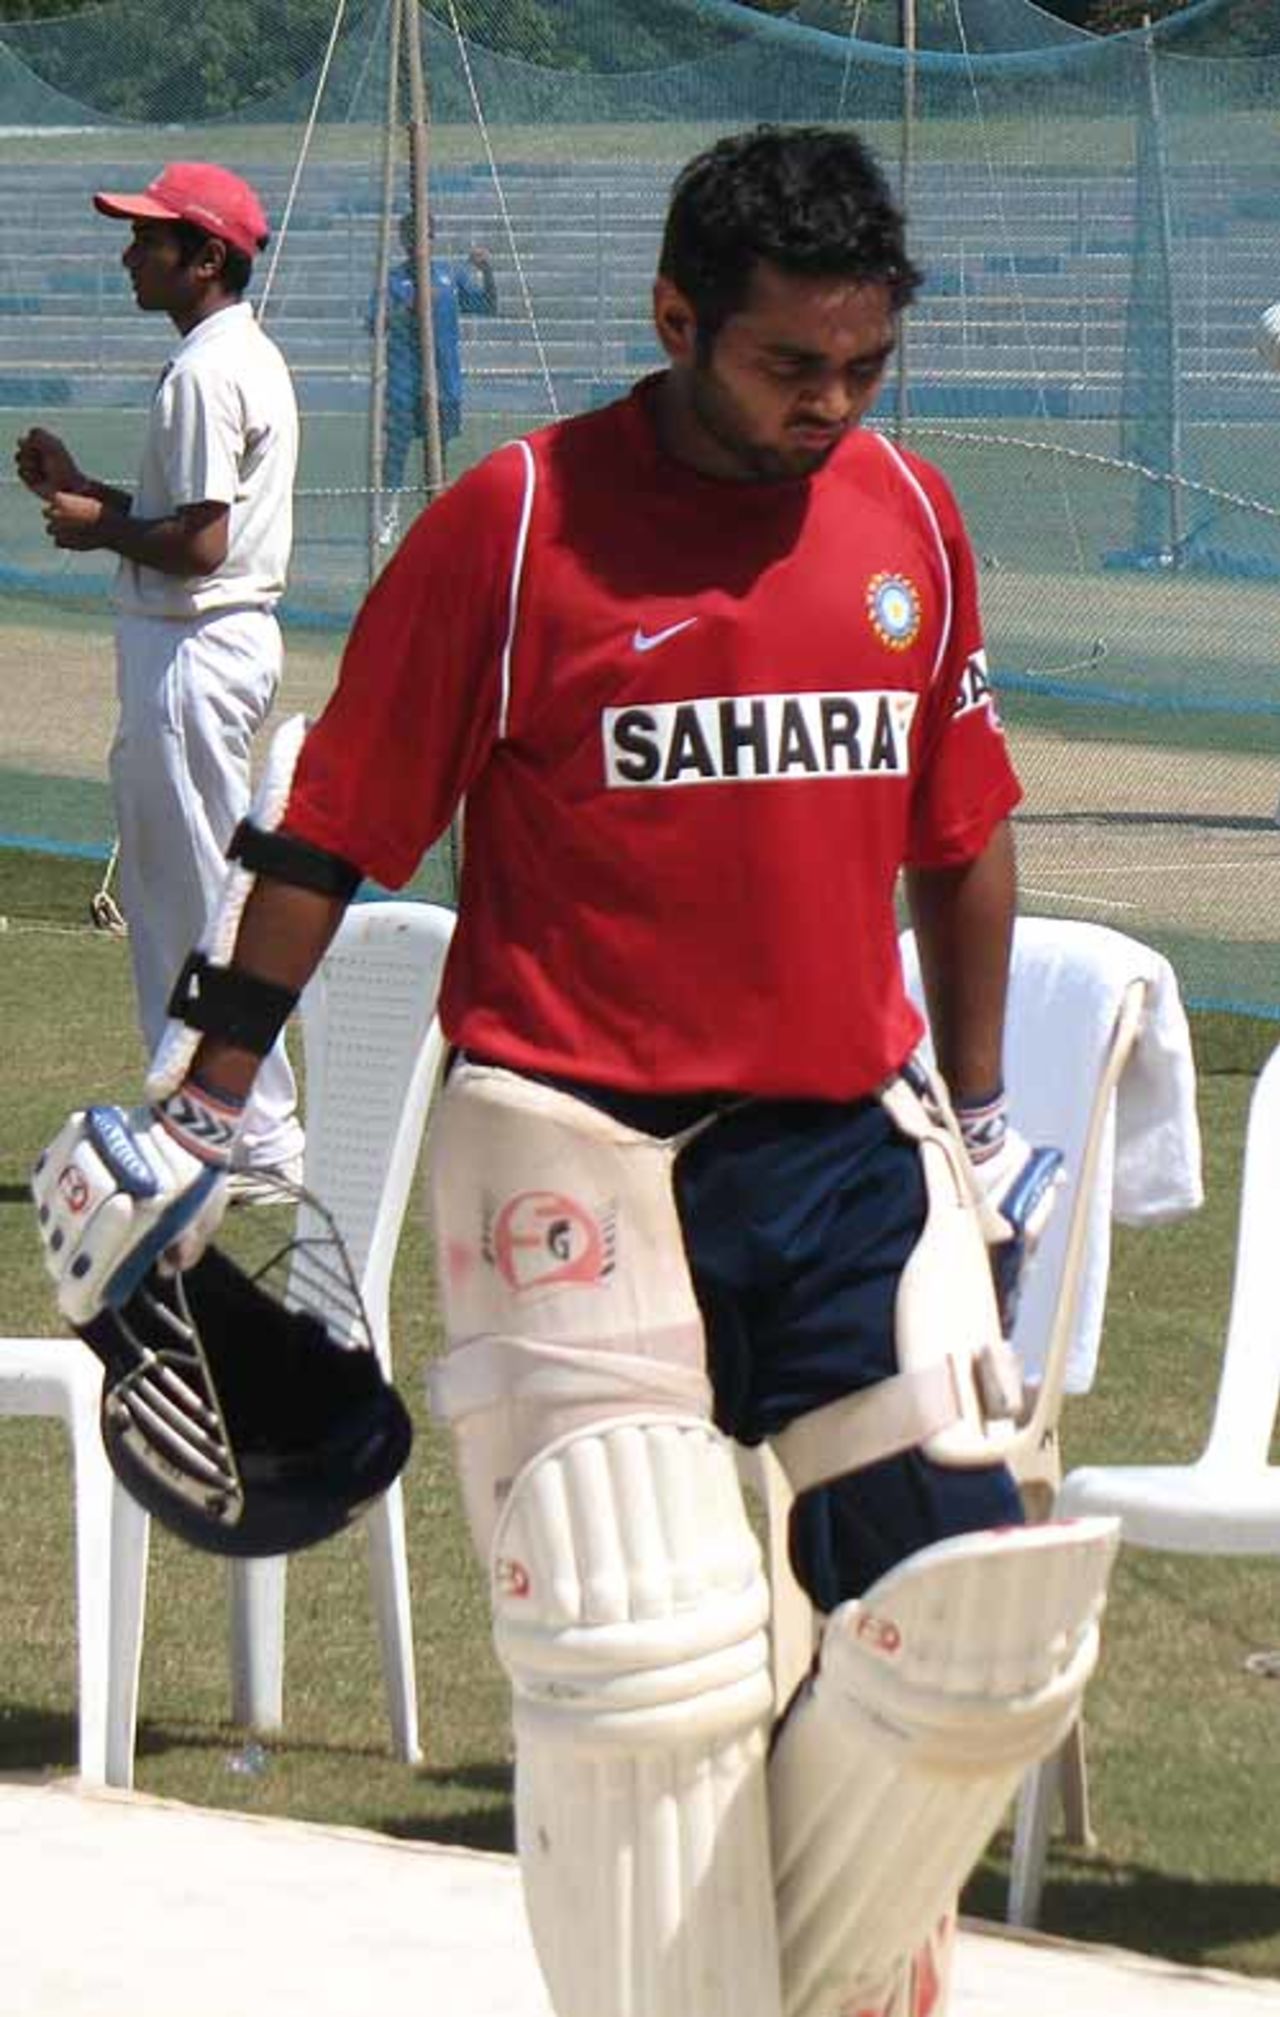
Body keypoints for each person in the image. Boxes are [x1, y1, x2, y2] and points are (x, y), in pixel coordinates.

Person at [35, 128, 1117, 2017]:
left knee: (980, 1637)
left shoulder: (912, 519)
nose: (832, 409)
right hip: (573, 1131)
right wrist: (209, 1094)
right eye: (793, 368)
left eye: (865, 370)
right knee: (648, 1669)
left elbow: (963, 830)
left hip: (847, 1145)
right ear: (678, 319)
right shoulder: (520, 523)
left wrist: (987, 1105)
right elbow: (334, 832)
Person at [15, 160, 304, 1192]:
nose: (132, 254)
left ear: (207, 257)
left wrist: (99, 531)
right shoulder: (229, 358)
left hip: (195, 648)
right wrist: (91, 494)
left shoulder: (205, 370)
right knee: (190, 891)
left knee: (192, 900)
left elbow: (201, 544)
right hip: (200, 648)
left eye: (151, 239)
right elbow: (186, 520)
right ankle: (227, 1123)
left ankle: (235, 1132)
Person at [374, 207, 498, 541]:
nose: (418, 242)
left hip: (444, 382)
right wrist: (406, 311)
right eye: (411, 236)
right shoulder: (393, 281)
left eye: (424, 235)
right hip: (404, 381)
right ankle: (388, 516)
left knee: (439, 450)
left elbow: (487, 305)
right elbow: (374, 323)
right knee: (397, 450)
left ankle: (435, 515)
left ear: (432, 237)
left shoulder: (449, 276)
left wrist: (486, 271)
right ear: (403, 240)